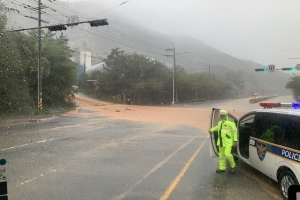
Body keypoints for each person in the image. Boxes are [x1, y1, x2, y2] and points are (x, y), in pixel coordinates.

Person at [209, 109, 237, 174]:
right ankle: (222, 168)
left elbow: (235, 132)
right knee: (221, 155)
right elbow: (217, 127)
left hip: (228, 142)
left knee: (228, 154)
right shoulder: (220, 122)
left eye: (223, 115)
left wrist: (235, 141)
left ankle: (233, 167)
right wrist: (211, 130)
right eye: (221, 115)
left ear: (226, 115)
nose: (222, 116)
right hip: (221, 142)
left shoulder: (230, 123)